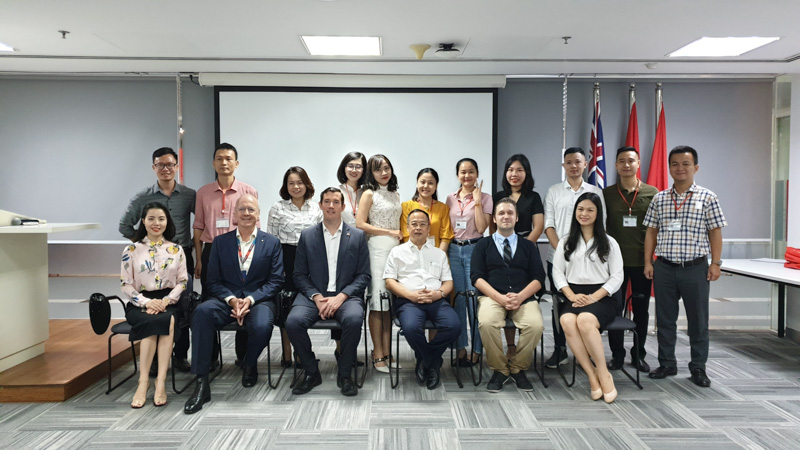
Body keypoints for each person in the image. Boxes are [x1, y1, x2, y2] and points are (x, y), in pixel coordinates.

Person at [184, 195, 283, 414]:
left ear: (258, 215)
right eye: (242, 210)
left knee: (262, 324)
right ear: (234, 215)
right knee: (201, 312)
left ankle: (249, 363)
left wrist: (249, 299)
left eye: (251, 209)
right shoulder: (220, 242)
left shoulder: (272, 243)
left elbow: (276, 280)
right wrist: (231, 299)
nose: (247, 213)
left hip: (258, 300)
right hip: (225, 299)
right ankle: (201, 382)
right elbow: (212, 281)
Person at [644, 146, 726, 388]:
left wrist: (716, 263)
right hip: (665, 268)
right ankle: (667, 363)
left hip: (695, 268)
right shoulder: (659, 198)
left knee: (698, 321)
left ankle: (698, 367)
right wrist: (648, 261)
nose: (680, 168)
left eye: (686, 164)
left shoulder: (708, 197)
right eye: (675, 164)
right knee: (665, 319)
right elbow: (651, 231)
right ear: (669, 168)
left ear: (695, 168)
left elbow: (716, 231)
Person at [286, 187, 371, 396]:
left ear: (343, 207)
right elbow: (298, 274)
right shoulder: (307, 236)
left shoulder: (358, 236)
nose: (331, 206)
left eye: (335, 202)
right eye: (327, 201)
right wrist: (316, 297)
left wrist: (341, 297)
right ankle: (311, 372)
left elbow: (363, 276)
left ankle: (344, 375)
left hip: (346, 296)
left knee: (352, 319)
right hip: (314, 295)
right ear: (320, 205)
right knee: (293, 322)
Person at [119, 147, 195, 373]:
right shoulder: (143, 197)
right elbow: (124, 225)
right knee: (150, 306)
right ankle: (152, 359)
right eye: (160, 165)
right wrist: (143, 245)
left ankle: (180, 356)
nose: (166, 169)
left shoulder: (190, 195)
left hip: (180, 257)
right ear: (154, 167)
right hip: (149, 261)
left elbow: (200, 223)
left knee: (183, 307)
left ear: (176, 166)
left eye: (170, 164)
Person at [552, 192, 624, 403]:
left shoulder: (609, 242)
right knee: (566, 320)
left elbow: (617, 276)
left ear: (598, 213)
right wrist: (571, 294)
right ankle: (592, 376)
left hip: (603, 296)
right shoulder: (566, 242)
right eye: (580, 209)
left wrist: (594, 298)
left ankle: (604, 373)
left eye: (590, 210)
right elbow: (557, 272)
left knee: (584, 320)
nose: (584, 214)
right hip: (573, 294)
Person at [193, 143, 258, 365]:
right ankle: (210, 357)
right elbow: (198, 226)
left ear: (236, 163)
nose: (224, 163)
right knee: (211, 300)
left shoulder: (248, 191)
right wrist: (199, 259)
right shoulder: (202, 193)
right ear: (213, 163)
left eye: (228, 159)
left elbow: (255, 224)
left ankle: (243, 355)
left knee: (242, 297)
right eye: (219, 159)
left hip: (242, 248)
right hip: (212, 250)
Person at [472, 198, 546, 393]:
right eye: (501, 213)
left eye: (510, 213)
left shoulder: (528, 246)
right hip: (492, 297)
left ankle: (517, 367)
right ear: (494, 219)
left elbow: (539, 278)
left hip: (523, 298)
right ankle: (500, 370)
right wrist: (500, 298)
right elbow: (477, 278)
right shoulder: (483, 245)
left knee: (535, 325)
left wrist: (520, 297)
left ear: (517, 218)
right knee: (487, 323)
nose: (506, 216)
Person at [121, 202, 188, 408]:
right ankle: (143, 383)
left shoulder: (176, 249)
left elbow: (182, 282)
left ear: (167, 222)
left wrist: (166, 301)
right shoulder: (131, 249)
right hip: (139, 301)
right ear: (143, 222)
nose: (156, 223)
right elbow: (126, 284)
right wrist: (148, 302)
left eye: (161, 219)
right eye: (151, 219)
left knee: (166, 320)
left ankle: (160, 381)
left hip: (169, 301)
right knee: (153, 320)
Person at [543, 147, 605, 369]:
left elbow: (601, 224)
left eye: (577, 162)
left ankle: (587, 350)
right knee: (560, 304)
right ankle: (560, 349)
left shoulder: (596, 192)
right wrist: (563, 251)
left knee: (586, 303)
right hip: (558, 257)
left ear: (585, 164)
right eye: (568, 162)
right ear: (564, 166)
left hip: (589, 260)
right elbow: (548, 224)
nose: (573, 166)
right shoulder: (554, 191)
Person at [384, 209, 460, 389]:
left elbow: (448, 282)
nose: (418, 228)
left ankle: (426, 360)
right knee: (410, 328)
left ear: (428, 228)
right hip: (408, 301)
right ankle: (432, 363)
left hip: (436, 300)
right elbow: (389, 282)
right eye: (414, 224)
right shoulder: (397, 252)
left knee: (454, 326)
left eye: (422, 224)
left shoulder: (438, 254)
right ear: (407, 227)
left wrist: (439, 294)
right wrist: (409, 294)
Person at [603, 147, 658, 373]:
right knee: (614, 309)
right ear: (616, 165)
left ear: (638, 164)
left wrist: (649, 262)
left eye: (631, 161)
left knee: (641, 310)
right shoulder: (606, 195)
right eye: (621, 161)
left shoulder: (652, 193)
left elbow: (655, 229)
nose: (626, 165)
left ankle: (639, 354)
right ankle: (617, 355)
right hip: (614, 265)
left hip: (642, 263)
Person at [267, 166, 323, 367]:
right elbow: (272, 240)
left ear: (306, 184)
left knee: (305, 305)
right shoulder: (278, 208)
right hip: (286, 258)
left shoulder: (316, 208)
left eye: (299, 182)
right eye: (291, 183)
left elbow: (321, 238)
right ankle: (287, 353)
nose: (296, 186)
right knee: (287, 305)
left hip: (310, 259)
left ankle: (302, 351)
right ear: (286, 186)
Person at [491, 154, 544, 360]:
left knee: (522, 295)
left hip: (525, 247)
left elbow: (538, 227)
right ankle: (511, 345)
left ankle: (523, 347)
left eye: (519, 170)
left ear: (526, 173)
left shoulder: (534, 197)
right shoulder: (498, 196)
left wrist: (521, 248)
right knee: (506, 293)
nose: (515, 174)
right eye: (511, 169)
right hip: (500, 246)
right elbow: (492, 224)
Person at [356, 154, 402, 373]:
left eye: (387, 168)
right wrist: (389, 232)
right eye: (378, 169)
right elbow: (360, 223)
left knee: (389, 305)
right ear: (370, 173)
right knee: (377, 302)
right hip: (377, 249)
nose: (384, 173)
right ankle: (377, 353)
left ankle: (388, 352)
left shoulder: (395, 193)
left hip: (396, 250)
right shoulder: (368, 193)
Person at [446, 158, 492, 367]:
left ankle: (477, 350)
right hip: (454, 249)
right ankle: (460, 349)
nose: (467, 176)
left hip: (476, 248)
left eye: (471, 171)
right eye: (463, 172)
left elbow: (482, 228)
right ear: (458, 175)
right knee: (459, 300)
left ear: (477, 174)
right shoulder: (450, 199)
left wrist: (477, 202)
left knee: (475, 300)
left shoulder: (485, 198)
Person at [400, 168, 454, 253]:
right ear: (417, 184)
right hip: (413, 255)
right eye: (422, 182)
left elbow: (445, 237)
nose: (426, 186)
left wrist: (438, 257)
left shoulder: (443, 208)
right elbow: (406, 234)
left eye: (430, 183)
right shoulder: (406, 206)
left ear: (436, 186)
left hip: (437, 256)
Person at [337, 152, 368, 226]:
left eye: (358, 166)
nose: (354, 170)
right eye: (350, 166)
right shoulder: (336, 192)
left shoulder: (366, 193)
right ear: (344, 168)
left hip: (364, 236)